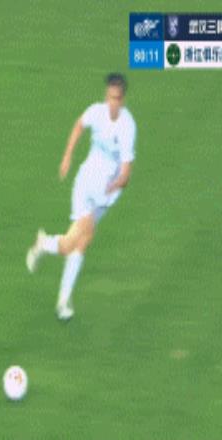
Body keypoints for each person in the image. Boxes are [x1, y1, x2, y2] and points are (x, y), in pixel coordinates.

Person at [26, 73, 136, 320]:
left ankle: (62, 298)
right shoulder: (97, 111)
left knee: (81, 243)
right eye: (109, 97)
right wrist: (68, 156)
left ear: (123, 100)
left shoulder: (128, 127)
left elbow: (126, 173)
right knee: (73, 242)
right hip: (86, 184)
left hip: (106, 194)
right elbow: (79, 125)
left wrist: (114, 185)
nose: (111, 103)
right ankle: (45, 247)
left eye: (116, 99)